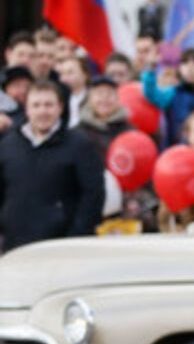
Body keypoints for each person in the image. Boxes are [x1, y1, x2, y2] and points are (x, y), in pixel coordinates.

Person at [0, 80, 105, 251]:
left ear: (60, 107)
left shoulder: (80, 144)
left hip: (61, 247)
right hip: (15, 245)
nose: (42, 111)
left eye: (48, 105)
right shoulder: (8, 144)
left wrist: (76, 237)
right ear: (27, 109)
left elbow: (93, 194)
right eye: (36, 105)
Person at [143, 47, 194, 148]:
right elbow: (151, 94)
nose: (191, 67)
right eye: (185, 63)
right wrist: (151, 68)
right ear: (179, 68)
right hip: (175, 152)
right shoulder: (173, 93)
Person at [74, 76, 131, 159]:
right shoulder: (78, 132)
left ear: (118, 99)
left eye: (110, 94)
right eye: (99, 93)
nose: (104, 98)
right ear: (90, 99)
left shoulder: (128, 131)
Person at [55, 55, 92, 124]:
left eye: (70, 72)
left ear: (85, 74)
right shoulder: (58, 99)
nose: (64, 78)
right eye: (62, 74)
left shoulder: (93, 98)